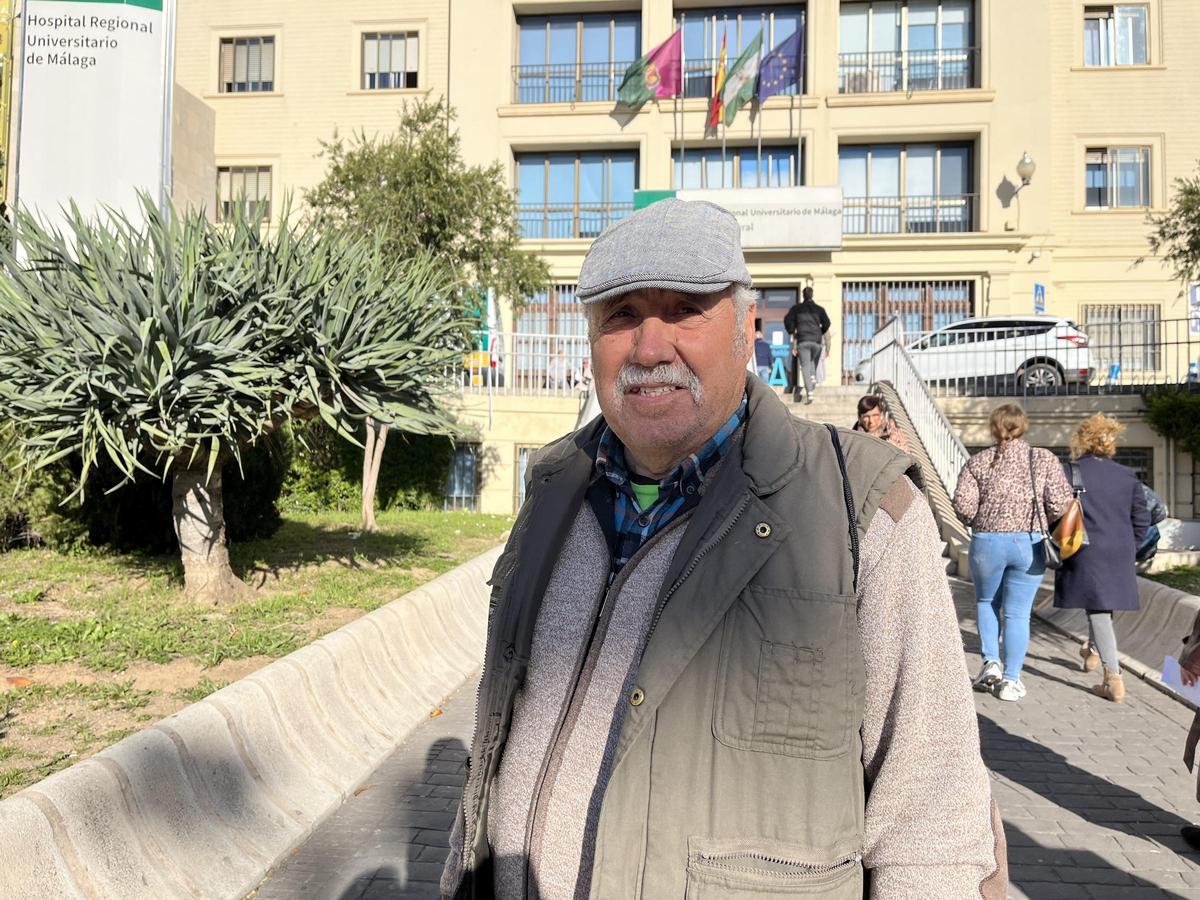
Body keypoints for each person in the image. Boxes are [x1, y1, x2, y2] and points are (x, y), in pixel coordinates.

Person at [442, 198, 1007, 900]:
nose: (649, 348)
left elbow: (931, 821)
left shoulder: (865, 508)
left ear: (747, 330)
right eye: (620, 316)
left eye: (684, 310)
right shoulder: (554, 488)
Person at [952, 403, 1073, 702]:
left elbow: (963, 506)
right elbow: (1059, 504)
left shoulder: (978, 462)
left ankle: (990, 661)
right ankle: (1011, 680)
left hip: (987, 543)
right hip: (1029, 544)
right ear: (1023, 426)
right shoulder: (1042, 459)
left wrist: (982, 518)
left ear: (994, 428)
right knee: (1018, 613)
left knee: (985, 602)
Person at [1055, 414, 1150, 703]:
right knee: (1102, 604)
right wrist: (1128, 546)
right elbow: (1142, 519)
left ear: (1081, 439)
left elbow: (1057, 512)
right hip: (1120, 550)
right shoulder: (1127, 475)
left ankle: (1113, 678)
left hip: (1086, 548)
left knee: (1097, 608)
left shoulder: (1069, 472)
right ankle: (1093, 652)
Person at [783, 286, 830, 404]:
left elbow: (787, 320)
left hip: (803, 340)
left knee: (805, 366)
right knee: (812, 360)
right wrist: (821, 331)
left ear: (803, 295)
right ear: (812, 295)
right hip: (816, 341)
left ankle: (810, 393)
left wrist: (792, 330)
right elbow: (827, 323)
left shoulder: (797, 309)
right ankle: (813, 378)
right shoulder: (819, 309)